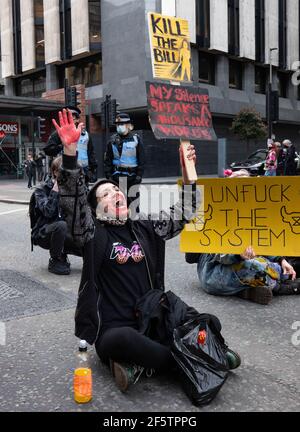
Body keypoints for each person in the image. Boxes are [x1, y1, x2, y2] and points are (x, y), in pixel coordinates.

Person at [53, 109, 241, 394]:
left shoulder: (146, 227)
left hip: (152, 319)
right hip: (116, 330)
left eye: (115, 190)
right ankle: (197, 357)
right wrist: (70, 151)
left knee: (209, 321)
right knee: (126, 341)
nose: (114, 194)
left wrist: (189, 176)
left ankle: (146, 364)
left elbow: (186, 211)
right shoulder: (93, 234)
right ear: (96, 211)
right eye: (104, 195)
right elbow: (74, 205)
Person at [186, 246, 300, 306]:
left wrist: (281, 259)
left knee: (260, 263)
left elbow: (262, 240)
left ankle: (246, 291)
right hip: (213, 274)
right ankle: (280, 287)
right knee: (254, 265)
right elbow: (221, 256)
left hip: (235, 270)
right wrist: (238, 255)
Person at [31, 156, 82, 276]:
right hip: (44, 232)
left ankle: (86, 256)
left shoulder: (74, 188)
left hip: (68, 231)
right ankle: (56, 259)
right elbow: (48, 212)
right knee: (61, 225)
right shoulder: (41, 189)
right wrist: (55, 190)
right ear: (55, 172)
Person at [44, 106, 98, 183]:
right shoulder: (59, 133)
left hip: (82, 172)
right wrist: (63, 145)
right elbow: (48, 150)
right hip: (64, 171)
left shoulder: (85, 135)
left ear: (78, 120)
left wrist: (93, 171)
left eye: (73, 118)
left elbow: (91, 153)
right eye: (68, 118)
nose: (71, 120)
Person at [104, 113, 145, 210]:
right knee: (118, 204)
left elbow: (142, 159)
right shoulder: (112, 140)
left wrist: (139, 175)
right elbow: (108, 160)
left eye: (122, 124)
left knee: (133, 204)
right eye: (118, 125)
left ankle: (135, 223)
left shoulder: (136, 139)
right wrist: (109, 175)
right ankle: (121, 223)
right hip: (117, 177)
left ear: (129, 125)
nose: (119, 127)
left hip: (133, 176)